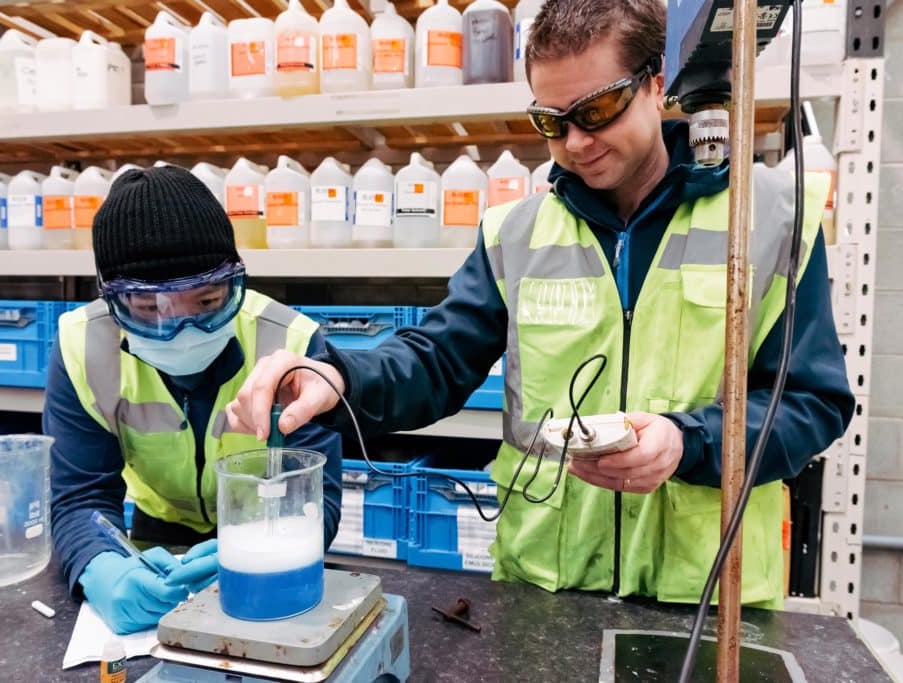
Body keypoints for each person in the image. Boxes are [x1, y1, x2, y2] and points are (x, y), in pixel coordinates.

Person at [227, 0, 854, 608]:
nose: (576, 142)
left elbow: (812, 402)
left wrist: (689, 443)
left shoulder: (770, 217)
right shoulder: (515, 233)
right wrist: (340, 375)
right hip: (545, 586)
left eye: (598, 109)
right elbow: (437, 359)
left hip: (706, 594)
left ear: (654, 83)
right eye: (553, 122)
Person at [44, 167, 343, 634]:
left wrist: (256, 548)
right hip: (151, 542)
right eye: (149, 309)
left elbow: (316, 500)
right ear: (112, 302)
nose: (182, 331)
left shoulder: (292, 344)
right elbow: (80, 497)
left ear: (235, 282)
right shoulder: (81, 348)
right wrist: (101, 567)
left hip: (270, 535)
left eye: (207, 303)